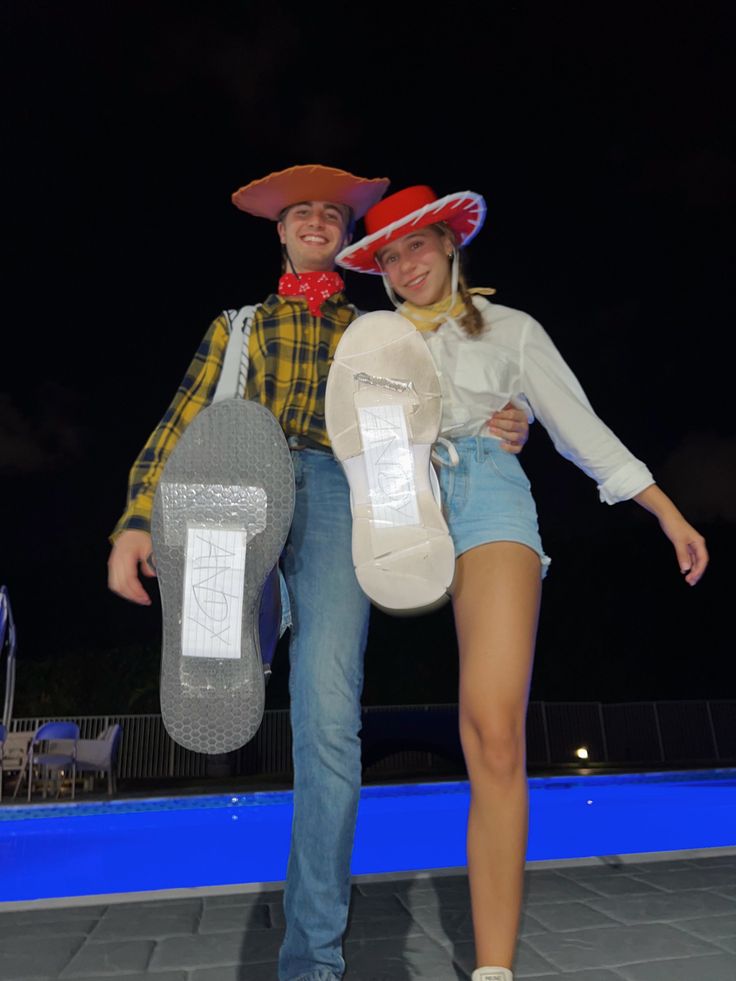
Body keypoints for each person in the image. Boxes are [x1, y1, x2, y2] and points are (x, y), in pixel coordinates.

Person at [107, 165, 530, 981]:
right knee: (234, 474)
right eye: (299, 212)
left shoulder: (383, 333)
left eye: (330, 214)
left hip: (344, 498)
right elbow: (181, 419)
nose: (313, 221)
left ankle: (311, 961)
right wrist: (135, 521)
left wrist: (504, 420)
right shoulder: (237, 326)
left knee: (330, 722)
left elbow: (436, 415)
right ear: (279, 231)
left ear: (344, 238)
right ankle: (233, 610)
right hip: (243, 476)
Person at [335, 184, 709, 981]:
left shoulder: (513, 329)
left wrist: (666, 512)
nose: (406, 265)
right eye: (389, 255)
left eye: (417, 245)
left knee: (492, 729)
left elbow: (582, 428)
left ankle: (494, 970)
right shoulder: (368, 340)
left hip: (487, 498)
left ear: (448, 243)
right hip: (394, 503)